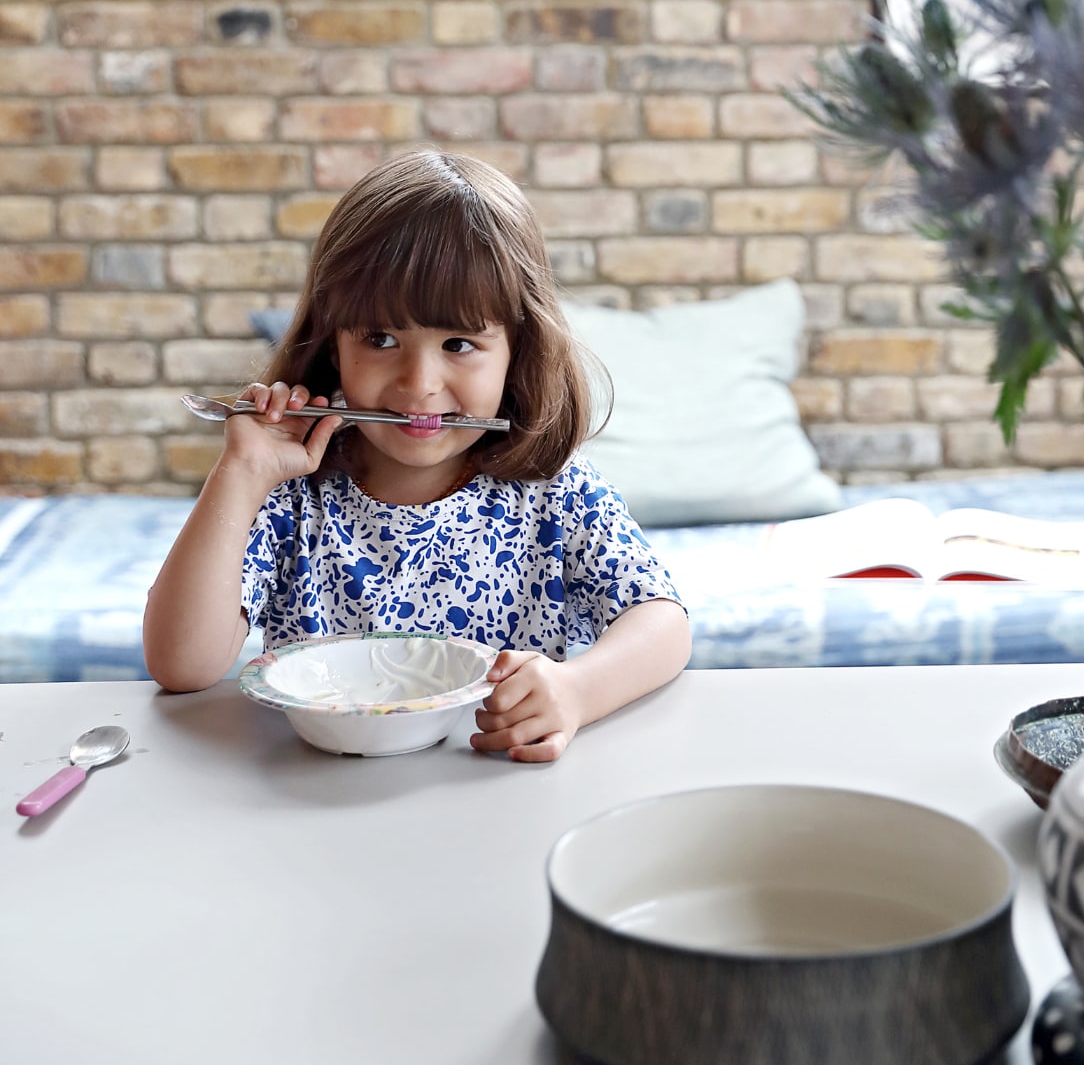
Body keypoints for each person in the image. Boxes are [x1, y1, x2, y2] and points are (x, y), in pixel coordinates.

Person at [144, 148, 691, 762]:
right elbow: (181, 665)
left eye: (459, 343)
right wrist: (241, 474)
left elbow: (664, 626)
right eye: (380, 339)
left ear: (517, 353)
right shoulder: (289, 493)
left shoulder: (551, 487)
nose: (418, 383)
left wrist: (577, 691)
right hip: (314, 811)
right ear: (333, 347)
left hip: (500, 795)